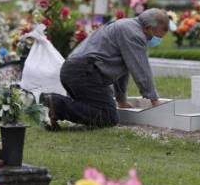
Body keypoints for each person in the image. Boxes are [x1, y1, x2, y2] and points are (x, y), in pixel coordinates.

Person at [41, 9, 171, 129]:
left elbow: (124, 69)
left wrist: (121, 100)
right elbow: (140, 68)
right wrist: (154, 100)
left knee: (94, 109)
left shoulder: (125, 25)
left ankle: (52, 109)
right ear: (147, 28)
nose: (153, 41)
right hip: (85, 72)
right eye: (155, 37)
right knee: (108, 116)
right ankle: (55, 104)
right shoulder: (134, 34)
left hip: (75, 71)